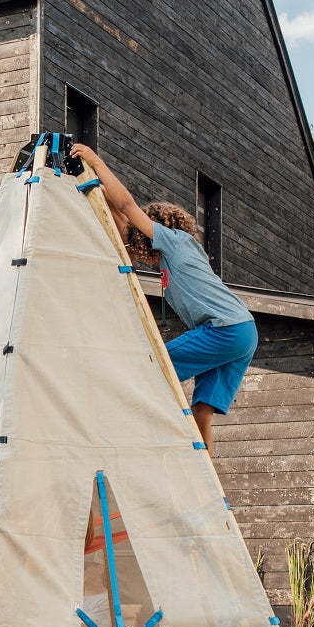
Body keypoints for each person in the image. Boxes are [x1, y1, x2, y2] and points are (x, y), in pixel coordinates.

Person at [71, 143, 258, 453]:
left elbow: (128, 206)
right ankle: (206, 475)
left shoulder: (175, 241)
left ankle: (140, 440)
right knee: (202, 411)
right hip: (242, 332)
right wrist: (100, 194)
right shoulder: (174, 258)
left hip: (224, 330)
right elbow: (124, 226)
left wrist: (96, 162)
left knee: (153, 365)